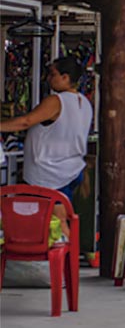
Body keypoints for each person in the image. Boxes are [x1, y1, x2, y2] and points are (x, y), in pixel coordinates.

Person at [0, 57, 93, 236]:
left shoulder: (56, 101)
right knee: (55, 222)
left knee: (58, 224)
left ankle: (65, 260)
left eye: (53, 74)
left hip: (52, 174)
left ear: (65, 77)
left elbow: (25, 122)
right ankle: (60, 258)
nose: (48, 79)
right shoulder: (84, 103)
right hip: (71, 169)